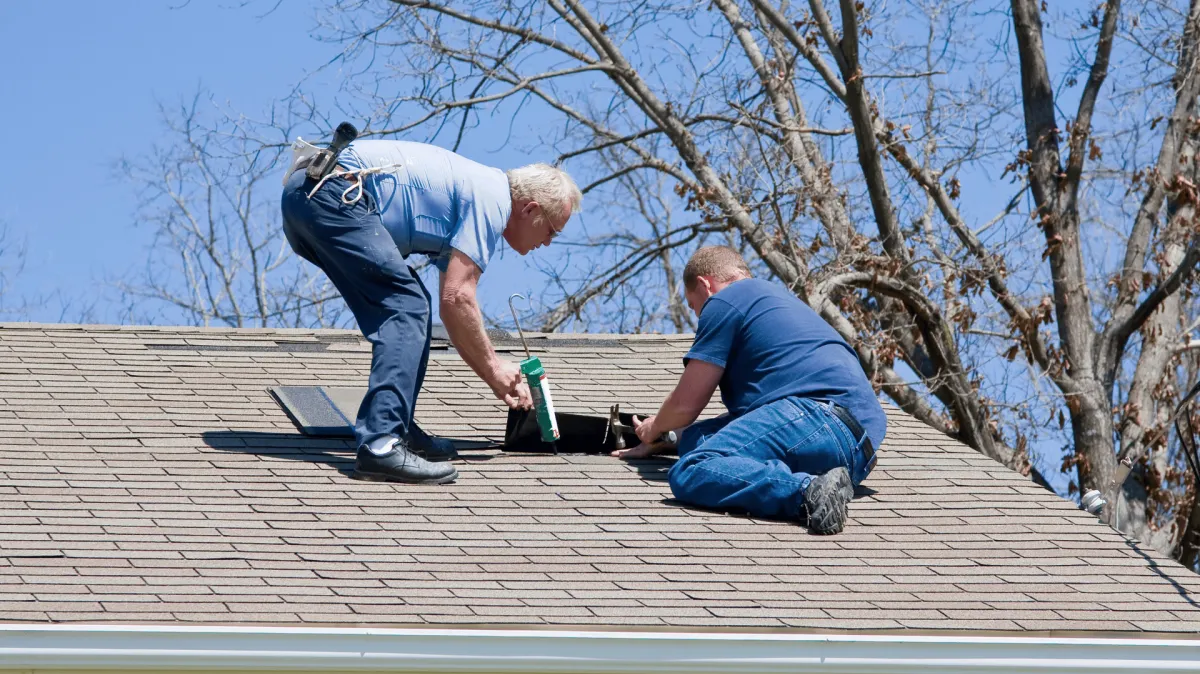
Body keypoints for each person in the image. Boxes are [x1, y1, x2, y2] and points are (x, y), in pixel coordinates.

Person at [280, 139, 581, 485]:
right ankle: (381, 444)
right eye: (552, 232)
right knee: (406, 306)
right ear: (529, 210)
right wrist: (495, 368)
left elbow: (450, 308)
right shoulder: (492, 199)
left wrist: (492, 374)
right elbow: (459, 297)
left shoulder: (473, 192)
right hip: (333, 193)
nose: (547, 242)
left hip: (307, 195)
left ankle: (397, 428)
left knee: (413, 307)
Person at [613, 246, 885, 534]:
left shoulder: (725, 300)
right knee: (699, 443)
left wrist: (654, 427)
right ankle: (822, 485)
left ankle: (807, 491)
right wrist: (669, 439)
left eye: (695, 307)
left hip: (815, 416)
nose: (699, 317)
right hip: (855, 454)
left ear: (706, 285)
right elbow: (746, 428)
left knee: (693, 469)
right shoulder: (776, 303)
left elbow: (685, 405)